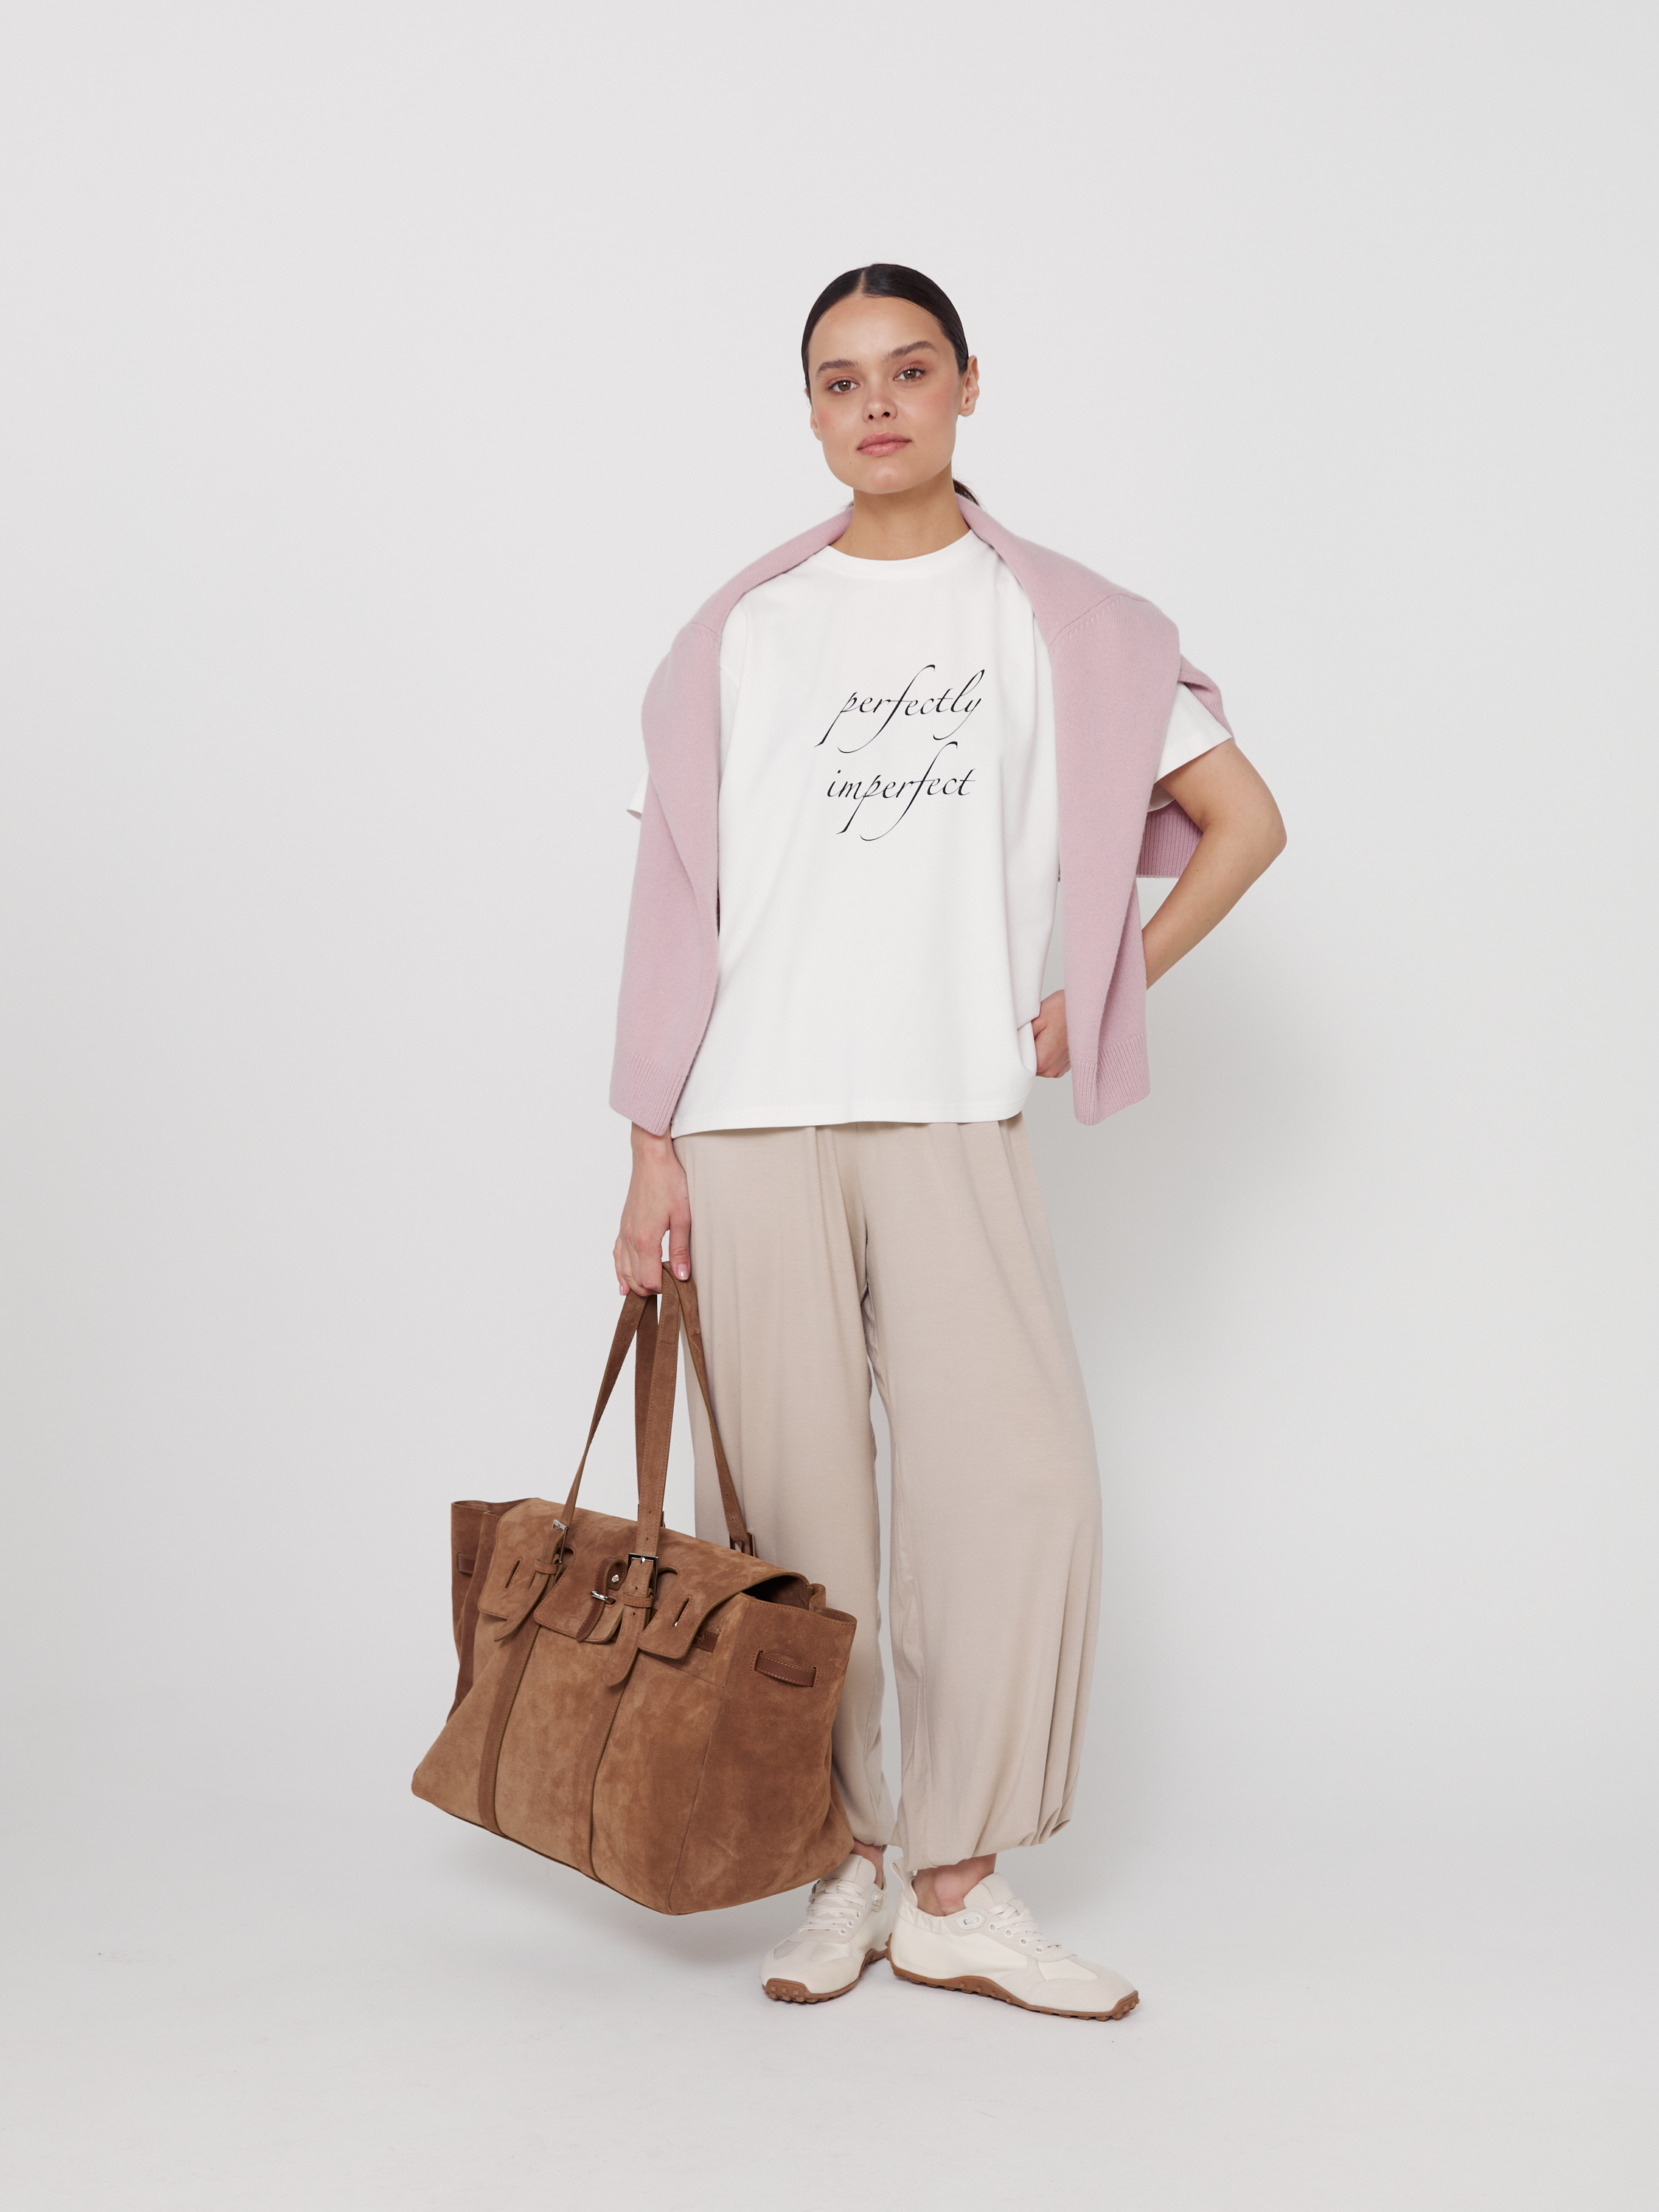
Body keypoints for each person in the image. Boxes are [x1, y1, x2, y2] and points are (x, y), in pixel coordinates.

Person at [611, 264, 1284, 2018]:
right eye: (841, 381)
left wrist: (1102, 985)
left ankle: (958, 1887)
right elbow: (676, 908)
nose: (878, 406)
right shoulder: (742, 633)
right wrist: (649, 1152)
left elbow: (1244, 820)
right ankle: (840, 1864)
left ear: (970, 386)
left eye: (909, 371)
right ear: (811, 412)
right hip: (745, 1119)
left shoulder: (1068, 627)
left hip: (950, 1104)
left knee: (1020, 1488)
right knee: (791, 1520)